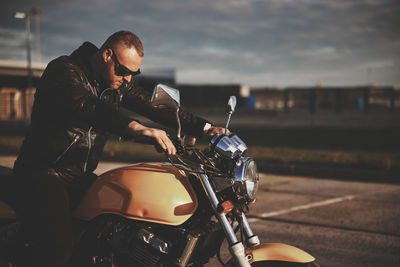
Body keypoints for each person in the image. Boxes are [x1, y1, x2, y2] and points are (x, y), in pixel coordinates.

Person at [11, 30, 225, 267]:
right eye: (124, 71)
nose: (128, 80)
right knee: (59, 250)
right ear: (107, 55)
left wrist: (206, 128)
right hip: (44, 173)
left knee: (112, 232)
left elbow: (154, 107)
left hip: (78, 178)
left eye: (134, 73)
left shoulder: (116, 83)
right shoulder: (64, 71)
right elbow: (89, 107)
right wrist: (137, 128)